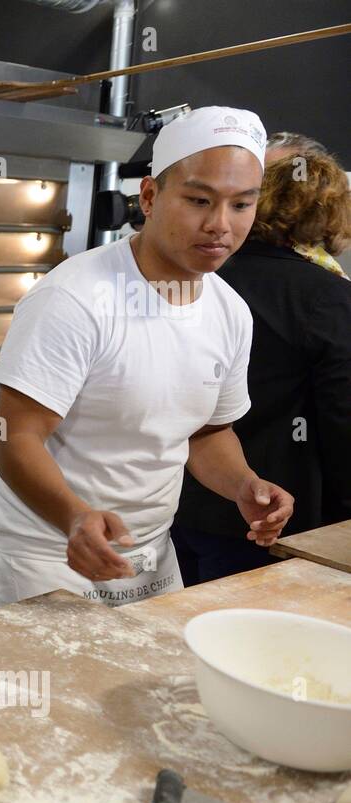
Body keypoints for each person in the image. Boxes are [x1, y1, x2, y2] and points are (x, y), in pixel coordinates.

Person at [0, 106, 294, 608]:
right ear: (149, 196)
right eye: (198, 200)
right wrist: (73, 517)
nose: (219, 225)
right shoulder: (75, 298)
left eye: (241, 205)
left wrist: (244, 484)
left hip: (153, 553)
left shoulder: (230, 310)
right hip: (52, 555)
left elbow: (207, 432)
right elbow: (14, 437)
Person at [173, 133, 351, 584]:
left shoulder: (195, 277)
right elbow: (342, 419)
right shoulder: (326, 296)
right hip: (272, 516)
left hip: (178, 499)